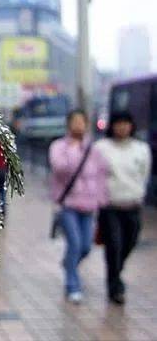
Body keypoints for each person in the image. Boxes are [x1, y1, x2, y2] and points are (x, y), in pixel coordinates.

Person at [49, 110, 106, 304]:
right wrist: (74, 149)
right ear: (68, 124)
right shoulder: (58, 146)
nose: (79, 126)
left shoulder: (94, 149)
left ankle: (68, 264)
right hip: (68, 204)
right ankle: (72, 285)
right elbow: (60, 168)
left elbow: (99, 175)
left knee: (85, 246)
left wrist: (101, 199)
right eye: (75, 122)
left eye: (82, 122)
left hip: (89, 205)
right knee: (74, 243)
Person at [95, 111, 152, 305]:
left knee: (130, 240)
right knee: (114, 244)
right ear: (112, 126)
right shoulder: (101, 148)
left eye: (126, 123)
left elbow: (144, 174)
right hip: (110, 206)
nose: (122, 127)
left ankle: (115, 271)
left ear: (131, 126)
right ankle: (115, 287)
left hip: (133, 204)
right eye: (118, 123)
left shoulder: (141, 148)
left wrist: (139, 194)